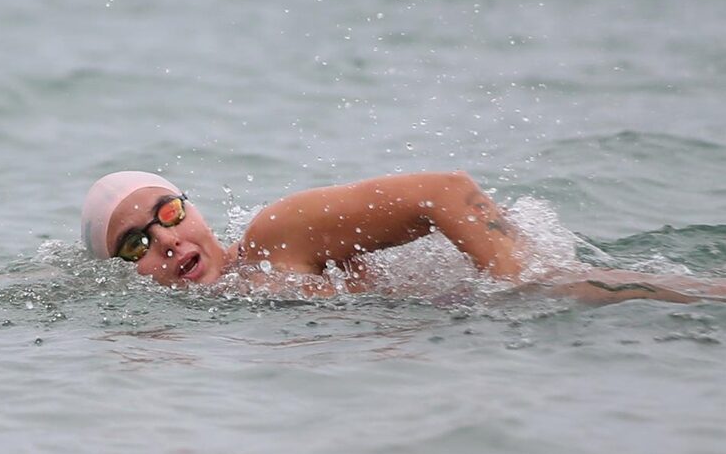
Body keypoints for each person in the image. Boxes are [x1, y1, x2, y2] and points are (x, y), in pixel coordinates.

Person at [82, 170, 725, 303]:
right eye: (134, 246)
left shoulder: (274, 239)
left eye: (166, 214)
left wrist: (524, 285)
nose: (163, 242)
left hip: (507, 303)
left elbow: (446, 191)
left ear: (192, 209)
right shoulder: (220, 311)